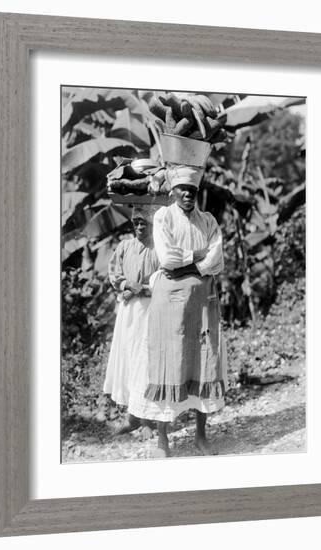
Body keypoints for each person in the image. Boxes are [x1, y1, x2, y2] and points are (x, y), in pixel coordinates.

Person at [131, 164, 228, 457]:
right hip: (169, 299)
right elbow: (167, 257)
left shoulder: (208, 220)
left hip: (202, 298)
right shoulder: (163, 217)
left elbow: (216, 259)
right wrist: (196, 258)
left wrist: (191, 261)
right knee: (167, 359)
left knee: (204, 358)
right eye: (183, 189)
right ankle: (163, 440)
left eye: (193, 190)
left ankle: (200, 436)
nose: (188, 194)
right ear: (173, 191)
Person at [103, 205, 159, 436]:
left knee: (144, 361)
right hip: (128, 311)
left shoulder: (159, 247)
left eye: (143, 223)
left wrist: (141, 288)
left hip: (150, 309)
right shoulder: (126, 246)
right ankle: (132, 417)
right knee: (128, 358)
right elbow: (114, 272)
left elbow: (165, 277)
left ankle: (147, 420)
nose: (138, 227)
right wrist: (127, 285)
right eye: (135, 223)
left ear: (152, 225)